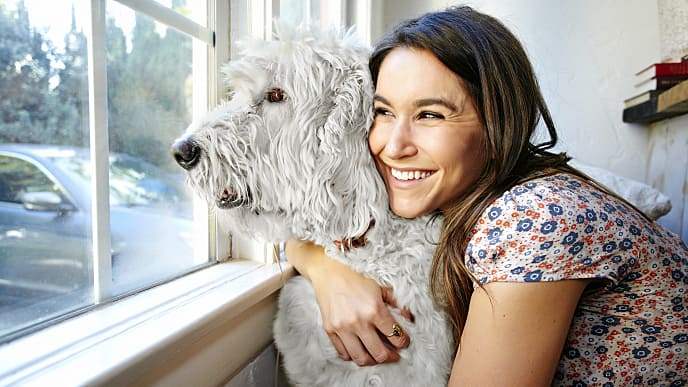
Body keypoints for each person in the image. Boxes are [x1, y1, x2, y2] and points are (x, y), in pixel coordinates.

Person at [286, 5, 688, 386]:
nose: (393, 146)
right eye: (384, 112)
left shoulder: (533, 218)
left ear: (497, 125)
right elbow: (299, 230)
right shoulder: (448, 196)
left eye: (430, 115)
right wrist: (328, 272)